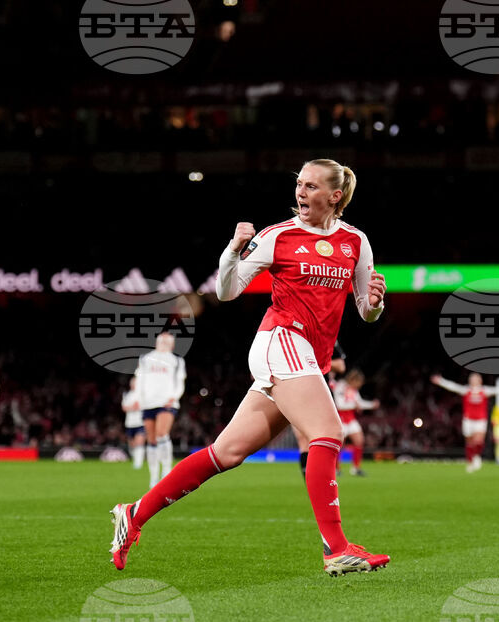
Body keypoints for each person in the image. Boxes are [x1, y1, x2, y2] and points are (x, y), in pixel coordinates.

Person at [110, 159, 390, 577]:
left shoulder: (355, 241)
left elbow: (366, 312)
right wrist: (232, 250)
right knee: (329, 432)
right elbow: (227, 291)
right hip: (281, 339)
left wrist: (375, 303)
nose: (300, 192)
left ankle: (133, 513)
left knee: (227, 453)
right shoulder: (278, 236)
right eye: (299, 184)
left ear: (335, 196)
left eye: (311, 186)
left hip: (309, 355)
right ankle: (336, 549)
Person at [134, 332, 186, 487]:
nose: (164, 342)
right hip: (148, 402)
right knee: (151, 440)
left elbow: (180, 381)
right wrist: (138, 398)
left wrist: (175, 396)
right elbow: (140, 379)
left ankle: (167, 470)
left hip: (166, 401)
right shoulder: (145, 359)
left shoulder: (176, 360)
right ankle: (154, 476)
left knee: (162, 434)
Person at [295, 340, 346, 478]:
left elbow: (341, 366)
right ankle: (314, 487)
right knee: (303, 441)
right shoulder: (293, 334)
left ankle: (325, 481)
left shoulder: (327, 337)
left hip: (320, 393)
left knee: (325, 438)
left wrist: (311, 361)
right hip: (295, 390)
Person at [430, 373, 498, 472]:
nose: (473, 381)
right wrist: (441, 381)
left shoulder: (485, 391)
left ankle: (477, 457)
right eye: (472, 379)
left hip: (480, 420)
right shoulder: (466, 390)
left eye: (475, 379)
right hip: (468, 420)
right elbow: (452, 386)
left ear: (480, 381)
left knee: (478, 442)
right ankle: (470, 462)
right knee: (470, 443)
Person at [331, 369, 380, 477]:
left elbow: (360, 403)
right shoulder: (341, 386)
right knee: (340, 445)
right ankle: (336, 469)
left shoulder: (354, 390)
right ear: (354, 380)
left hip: (351, 419)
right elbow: (340, 404)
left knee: (359, 441)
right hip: (340, 420)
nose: (359, 385)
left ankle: (356, 468)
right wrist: (354, 405)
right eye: (359, 382)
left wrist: (372, 404)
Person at [121, 376, 146, 470]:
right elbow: (124, 407)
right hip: (130, 423)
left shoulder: (143, 394)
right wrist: (132, 407)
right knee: (132, 444)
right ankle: (135, 459)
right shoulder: (127, 394)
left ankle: (138, 463)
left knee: (139, 442)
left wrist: (134, 407)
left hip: (140, 422)